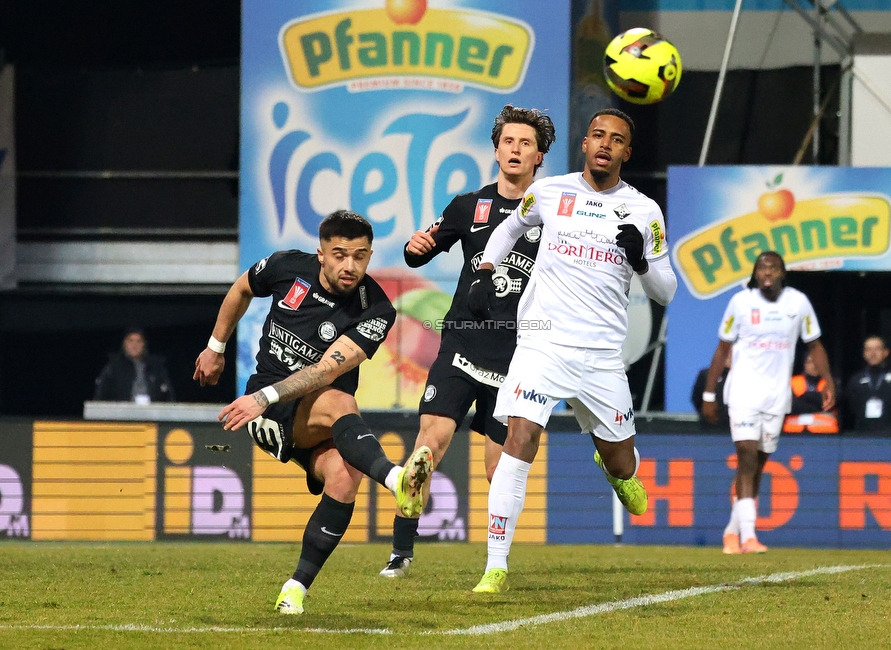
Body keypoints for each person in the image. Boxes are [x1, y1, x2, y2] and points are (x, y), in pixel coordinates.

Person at [466, 108, 678, 593]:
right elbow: (508, 229)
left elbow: (666, 291)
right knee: (519, 436)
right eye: (598, 135)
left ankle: (613, 464)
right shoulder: (549, 191)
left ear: (628, 152)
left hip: (603, 355)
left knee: (623, 463)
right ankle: (495, 565)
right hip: (543, 343)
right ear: (584, 144)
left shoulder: (645, 212)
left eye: (617, 139)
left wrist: (641, 260)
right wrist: (485, 269)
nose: (605, 144)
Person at [192, 210, 434, 615]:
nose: (350, 266)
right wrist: (216, 349)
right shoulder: (287, 266)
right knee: (340, 401)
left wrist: (264, 397)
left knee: (344, 477)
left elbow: (326, 369)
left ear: (370, 256)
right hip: (268, 410)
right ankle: (396, 480)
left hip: (305, 414)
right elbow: (241, 289)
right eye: (340, 254)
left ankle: (294, 589)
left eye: (360, 256)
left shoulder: (376, 309)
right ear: (321, 253)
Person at [377, 105, 556, 579]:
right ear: (496, 149)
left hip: (519, 358)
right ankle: (401, 553)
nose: (515, 149)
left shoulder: (556, 213)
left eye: (526, 144)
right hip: (461, 347)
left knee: (500, 473)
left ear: (540, 157)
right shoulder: (467, 207)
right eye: (508, 142)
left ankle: (495, 563)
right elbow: (421, 251)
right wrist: (415, 247)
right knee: (427, 447)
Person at [702, 251, 834, 555]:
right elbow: (722, 349)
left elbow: (814, 344)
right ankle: (749, 536)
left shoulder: (798, 303)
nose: (767, 274)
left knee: (758, 464)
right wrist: (710, 394)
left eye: (772, 268)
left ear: (783, 273)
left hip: (776, 396)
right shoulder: (741, 303)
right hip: (743, 393)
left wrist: (828, 380)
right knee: (746, 456)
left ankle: (732, 532)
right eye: (761, 268)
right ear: (755, 273)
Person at [845, 336, 891, 435]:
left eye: (877, 349)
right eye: (868, 350)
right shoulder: (856, 380)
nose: (873, 353)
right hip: (863, 438)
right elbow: (849, 411)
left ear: (886, 352)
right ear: (864, 354)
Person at [94, 326, 174, 403]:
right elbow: (101, 397)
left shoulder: (156, 368)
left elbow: (168, 397)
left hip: (152, 414)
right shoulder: (112, 368)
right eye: (130, 341)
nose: (134, 345)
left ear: (144, 344)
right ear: (124, 343)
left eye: (139, 341)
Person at [783, 351, 840, 434]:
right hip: (793, 434)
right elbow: (791, 405)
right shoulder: (792, 382)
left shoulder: (832, 383)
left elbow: (831, 402)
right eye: (810, 362)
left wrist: (803, 397)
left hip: (826, 434)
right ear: (804, 365)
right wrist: (818, 408)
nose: (814, 366)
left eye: (817, 362)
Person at [692, 348, 730, 432]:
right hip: (711, 426)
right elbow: (696, 399)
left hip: (739, 426)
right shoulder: (706, 375)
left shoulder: (746, 376)